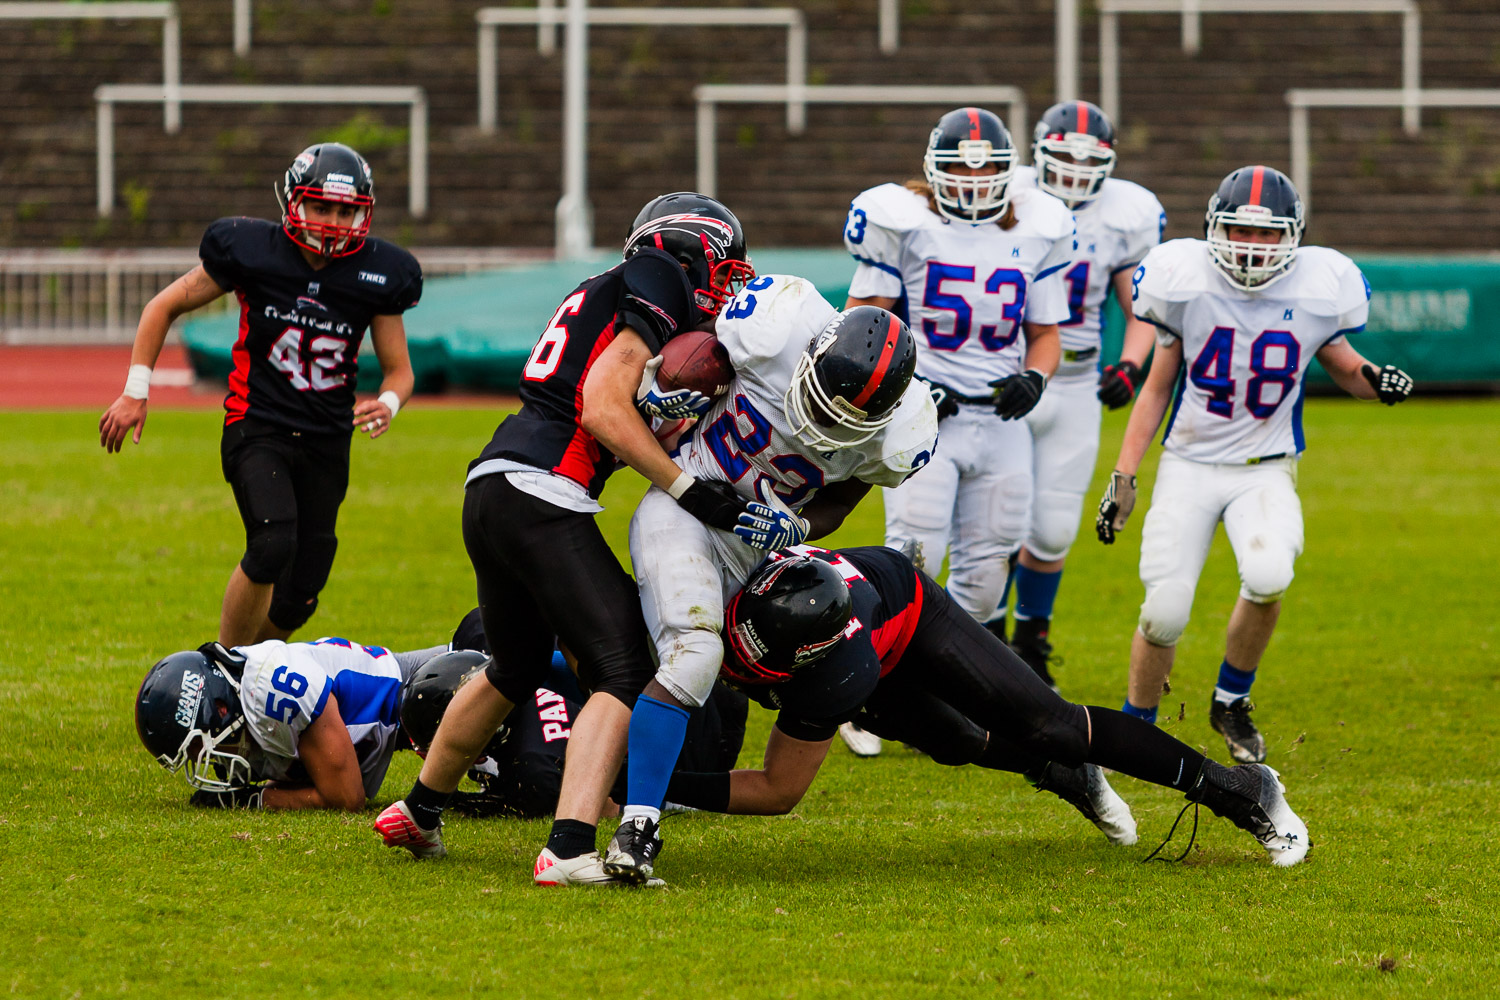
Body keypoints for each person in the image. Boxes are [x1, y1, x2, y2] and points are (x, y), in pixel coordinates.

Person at [375, 193, 762, 886]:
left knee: (515, 666)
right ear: (681, 253)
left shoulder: (603, 290)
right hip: (541, 490)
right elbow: (601, 407)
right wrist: (685, 487)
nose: (726, 281)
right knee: (622, 668)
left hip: (492, 486)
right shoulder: (658, 281)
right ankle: (569, 845)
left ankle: (419, 808)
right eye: (719, 265)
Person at [663, 546, 1312, 869]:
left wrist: (651, 784)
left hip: (909, 615)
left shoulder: (836, 670)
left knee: (1051, 725)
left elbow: (779, 790)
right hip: (844, 634)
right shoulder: (709, 601)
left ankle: (1240, 789)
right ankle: (1063, 776)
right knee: (953, 743)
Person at [604, 283, 939, 886]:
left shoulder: (899, 432)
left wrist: (802, 524)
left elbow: (840, 499)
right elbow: (692, 355)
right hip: (688, 509)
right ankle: (639, 827)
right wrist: (667, 391)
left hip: (759, 548)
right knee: (693, 649)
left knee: (654, 654)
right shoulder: (776, 326)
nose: (821, 427)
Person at [1095, 165, 1414, 763]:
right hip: (1188, 464)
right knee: (1163, 612)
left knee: (1269, 575)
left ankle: (1230, 700)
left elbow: (1347, 367)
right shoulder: (1183, 283)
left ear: (1294, 236)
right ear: (1215, 228)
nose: (1253, 245)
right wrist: (1124, 475)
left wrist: (1380, 382)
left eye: (1269, 235)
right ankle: (1137, 723)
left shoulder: (1321, 287)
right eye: (1241, 230)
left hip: (1265, 466)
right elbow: (1158, 388)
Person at [98, 143, 422, 648]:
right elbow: (163, 305)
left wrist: (389, 402)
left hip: (327, 439)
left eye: (344, 210)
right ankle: (225, 671)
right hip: (258, 424)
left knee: (303, 587)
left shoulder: (379, 273)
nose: (333, 221)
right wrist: (135, 391)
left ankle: (257, 676)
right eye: (321, 207)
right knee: (272, 544)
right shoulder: (253, 250)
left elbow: (400, 371)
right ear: (294, 202)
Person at [981, 101, 1167, 689]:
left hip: (1079, 380)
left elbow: (1141, 305)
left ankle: (1031, 643)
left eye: (1089, 161)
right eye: (1062, 156)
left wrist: (1131, 364)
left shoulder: (1127, 213)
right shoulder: (1006, 193)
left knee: (1055, 527)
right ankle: (985, 643)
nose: (1074, 171)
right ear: (1039, 152)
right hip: (1011, 377)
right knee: (995, 521)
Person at [135, 637, 444, 811]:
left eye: (199, 749)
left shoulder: (269, 692)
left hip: (428, 688)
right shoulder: (248, 699)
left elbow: (347, 798)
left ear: (220, 708)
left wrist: (257, 800)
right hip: (411, 708)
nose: (210, 759)